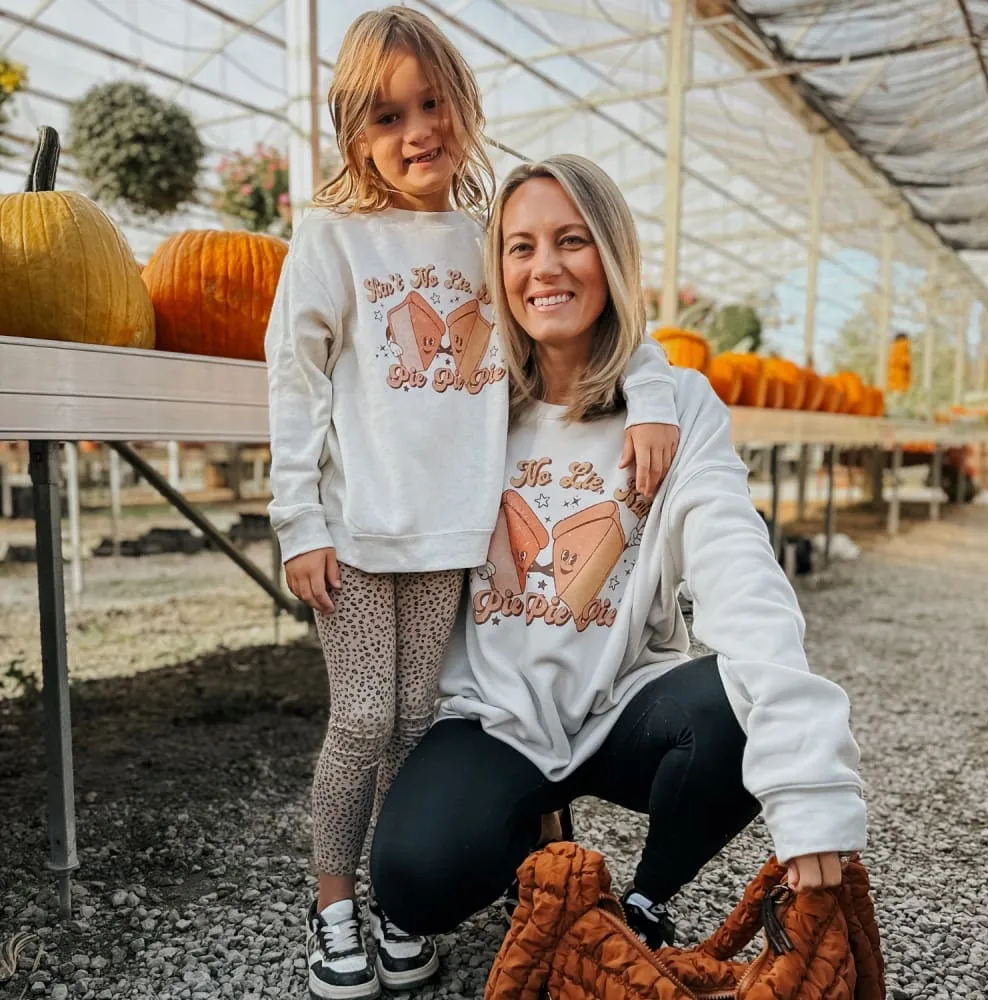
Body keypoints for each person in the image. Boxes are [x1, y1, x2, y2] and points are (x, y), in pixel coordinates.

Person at [264, 10, 682, 999]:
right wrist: (297, 520)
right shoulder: (334, 237)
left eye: (430, 103)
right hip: (362, 534)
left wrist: (654, 399)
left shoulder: (487, 233)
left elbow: (613, 322)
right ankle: (334, 909)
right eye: (385, 117)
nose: (415, 131)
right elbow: (294, 375)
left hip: (457, 538)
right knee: (363, 719)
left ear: (463, 100)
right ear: (353, 134)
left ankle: (397, 907)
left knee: (417, 722)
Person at [369, 154, 868, 950]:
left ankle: (644, 900)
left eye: (572, 240)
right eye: (520, 247)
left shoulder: (682, 408)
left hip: (625, 700)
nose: (546, 268)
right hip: (496, 712)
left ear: (613, 254)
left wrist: (807, 781)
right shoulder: (473, 400)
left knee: (732, 714)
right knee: (414, 883)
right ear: (497, 267)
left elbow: (737, 565)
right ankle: (534, 836)